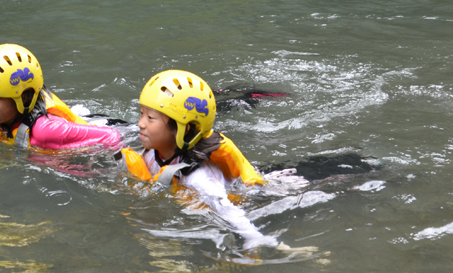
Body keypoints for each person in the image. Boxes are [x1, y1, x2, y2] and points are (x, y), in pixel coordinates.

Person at [116, 69, 315, 255]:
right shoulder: (151, 152)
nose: (141, 123)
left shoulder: (198, 177)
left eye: (150, 117)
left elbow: (225, 209)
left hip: (266, 190)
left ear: (183, 129)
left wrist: (254, 238)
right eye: (141, 113)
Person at [0, 44, 121, 150]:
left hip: (117, 130)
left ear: (24, 98)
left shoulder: (45, 130)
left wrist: (95, 163)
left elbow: (111, 136)